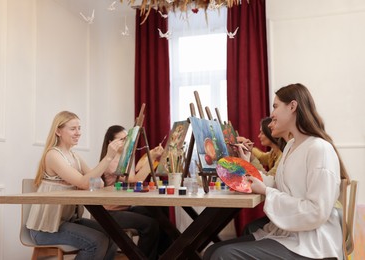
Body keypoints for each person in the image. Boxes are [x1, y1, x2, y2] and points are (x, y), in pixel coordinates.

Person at [204, 83, 350, 259]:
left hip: (313, 244)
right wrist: (247, 166)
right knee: (212, 251)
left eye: (275, 106)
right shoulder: (291, 146)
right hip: (290, 235)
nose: (272, 114)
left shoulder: (319, 149)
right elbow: (279, 184)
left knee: (222, 255)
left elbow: (316, 212)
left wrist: (266, 191)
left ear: (292, 106)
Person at [26, 111, 123, 260]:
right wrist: (109, 156)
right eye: (73, 129)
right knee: (97, 242)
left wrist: (86, 180)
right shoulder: (53, 155)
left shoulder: (75, 156)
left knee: (114, 234)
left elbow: (100, 183)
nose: (78, 133)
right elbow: (85, 182)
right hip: (45, 228)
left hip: (67, 221)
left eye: (79, 128)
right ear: (58, 131)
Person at [100, 125, 169, 260]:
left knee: (160, 211)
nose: (127, 142)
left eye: (128, 138)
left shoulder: (124, 158)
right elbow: (135, 180)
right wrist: (151, 157)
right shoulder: (112, 162)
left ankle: (167, 253)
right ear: (110, 143)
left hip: (124, 207)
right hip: (110, 213)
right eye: (122, 139)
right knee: (150, 225)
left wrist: (151, 157)